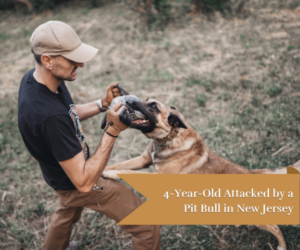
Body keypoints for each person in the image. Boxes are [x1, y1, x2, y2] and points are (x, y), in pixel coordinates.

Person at [18, 20, 160, 250]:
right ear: (48, 59)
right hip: (77, 180)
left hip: (60, 176)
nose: (81, 64)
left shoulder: (38, 79)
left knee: (66, 213)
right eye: (72, 59)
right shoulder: (48, 116)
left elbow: (67, 114)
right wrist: (112, 130)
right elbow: (83, 183)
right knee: (147, 223)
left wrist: (102, 104)